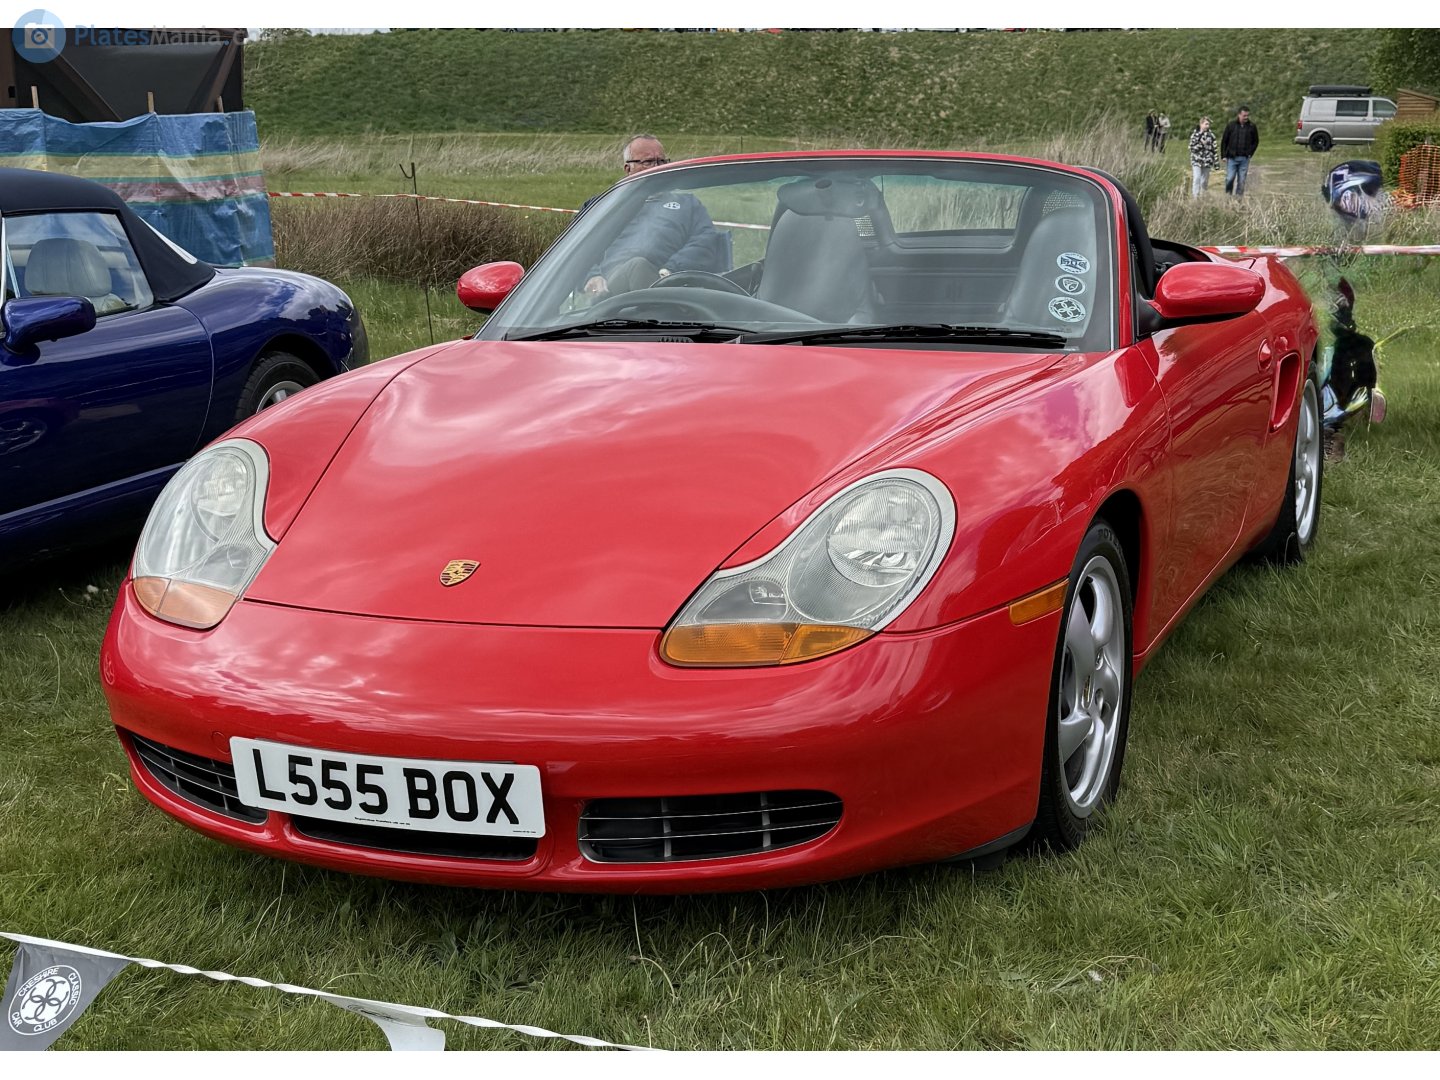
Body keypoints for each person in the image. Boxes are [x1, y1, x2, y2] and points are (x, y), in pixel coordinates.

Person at [581, 134, 723, 297]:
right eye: (648, 162)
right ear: (628, 169)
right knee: (637, 266)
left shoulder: (688, 204)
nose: (658, 168)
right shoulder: (603, 206)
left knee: (640, 268)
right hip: (611, 289)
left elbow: (705, 241)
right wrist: (592, 275)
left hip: (672, 282)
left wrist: (672, 270)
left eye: (662, 161)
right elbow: (579, 249)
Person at [1221, 106, 1260, 198]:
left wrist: (1250, 153)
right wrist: (1223, 155)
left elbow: (1256, 141)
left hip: (1244, 159)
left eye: (1247, 115)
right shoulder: (1231, 125)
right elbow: (1224, 141)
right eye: (1244, 115)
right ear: (1239, 115)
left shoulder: (1252, 126)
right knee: (1230, 178)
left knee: (1242, 180)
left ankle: (1239, 200)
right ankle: (1228, 198)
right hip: (1232, 158)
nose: (1246, 117)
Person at [1189, 117, 1218, 197]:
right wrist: (1201, 144)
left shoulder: (1211, 136)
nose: (1207, 126)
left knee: (1204, 181)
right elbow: (1192, 148)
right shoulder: (1195, 135)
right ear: (1201, 124)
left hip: (1207, 161)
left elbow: (1214, 149)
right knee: (1197, 178)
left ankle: (1203, 197)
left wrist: (1216, 162)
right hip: (1197, 161)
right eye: (1206, 124)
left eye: (1208, 124)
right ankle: (1195, 197)